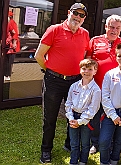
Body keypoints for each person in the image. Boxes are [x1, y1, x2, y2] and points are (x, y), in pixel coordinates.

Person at [34, 3, 90, 163]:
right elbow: (39, 55)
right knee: (50, 117)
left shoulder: (85, 34)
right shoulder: (54, 30)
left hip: (75, 82)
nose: (78, 17)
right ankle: (46, 150)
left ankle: (69, 145)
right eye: (75, 13)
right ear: (68, 13)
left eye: (81, 15)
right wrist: (50, 71)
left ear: (84, 18)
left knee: (73, 115)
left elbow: (84, 55)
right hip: (54, 80)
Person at [85, 14, 121, 154]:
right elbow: (87, 62)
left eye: (117, 28)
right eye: (111, 27)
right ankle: (96, 142)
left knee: (112, 117)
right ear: (106, 26)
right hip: (97, 88)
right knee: (95, 116)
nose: (114, 30)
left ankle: (109, 143)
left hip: (116, 90)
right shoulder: (95, 40)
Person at [65, 59, 101, 165]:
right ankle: (73, 161)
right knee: (74, 142)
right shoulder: (74, 86)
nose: (86, 71)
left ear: (95, 71)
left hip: (87, 119)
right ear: (80, 70)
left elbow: (93, 109)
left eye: (90, 69)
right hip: (73, 117)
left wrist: (80, 121)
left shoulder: (96, 90)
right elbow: (68, 103)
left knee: (85, 143)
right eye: (84, 69)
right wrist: (71, 118)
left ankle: (83, 161)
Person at [4, 11, 20, 81]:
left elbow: (15, 33)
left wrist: (14, 43)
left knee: (8, 61)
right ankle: (5, 74)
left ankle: (7, 75)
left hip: (11, 46)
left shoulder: (11, 22)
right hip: (8, 45)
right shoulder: (8, 22)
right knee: (6, 60)